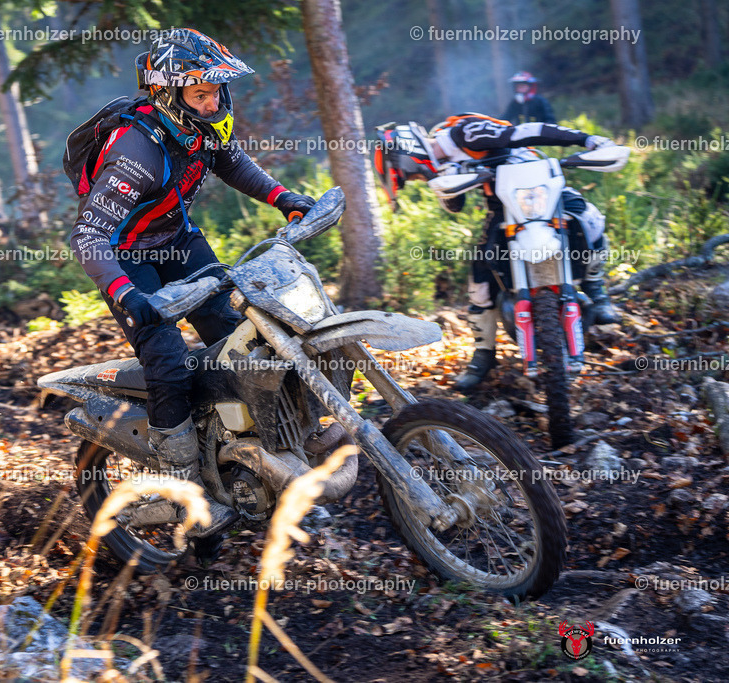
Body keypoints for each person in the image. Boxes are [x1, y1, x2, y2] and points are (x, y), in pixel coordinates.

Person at [68, 29, 315, 537]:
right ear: (168, 95)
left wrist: (283, 197)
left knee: (235, 337)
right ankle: (183, 489)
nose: (212, 102)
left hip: (177, 239)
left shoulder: (199, 127)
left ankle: (251, 456)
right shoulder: (136, 150)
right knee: (168, 361)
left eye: (216, 92)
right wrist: (126, 295)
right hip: (126, 258)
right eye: (200, 94)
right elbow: (89, 234)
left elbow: (230, 161)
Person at [374, 114, 620, 392]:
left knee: (589, 220)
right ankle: (483, 355)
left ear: (407, 154)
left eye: (412, 174)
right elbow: (455, 205)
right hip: (504, 207)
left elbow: (528, 131)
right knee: (480, 276)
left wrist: (586, 139)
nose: (418, 178)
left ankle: (596, 291)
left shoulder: (466, 133)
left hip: (543, 189)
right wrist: (444, 177)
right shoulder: (443, 164)